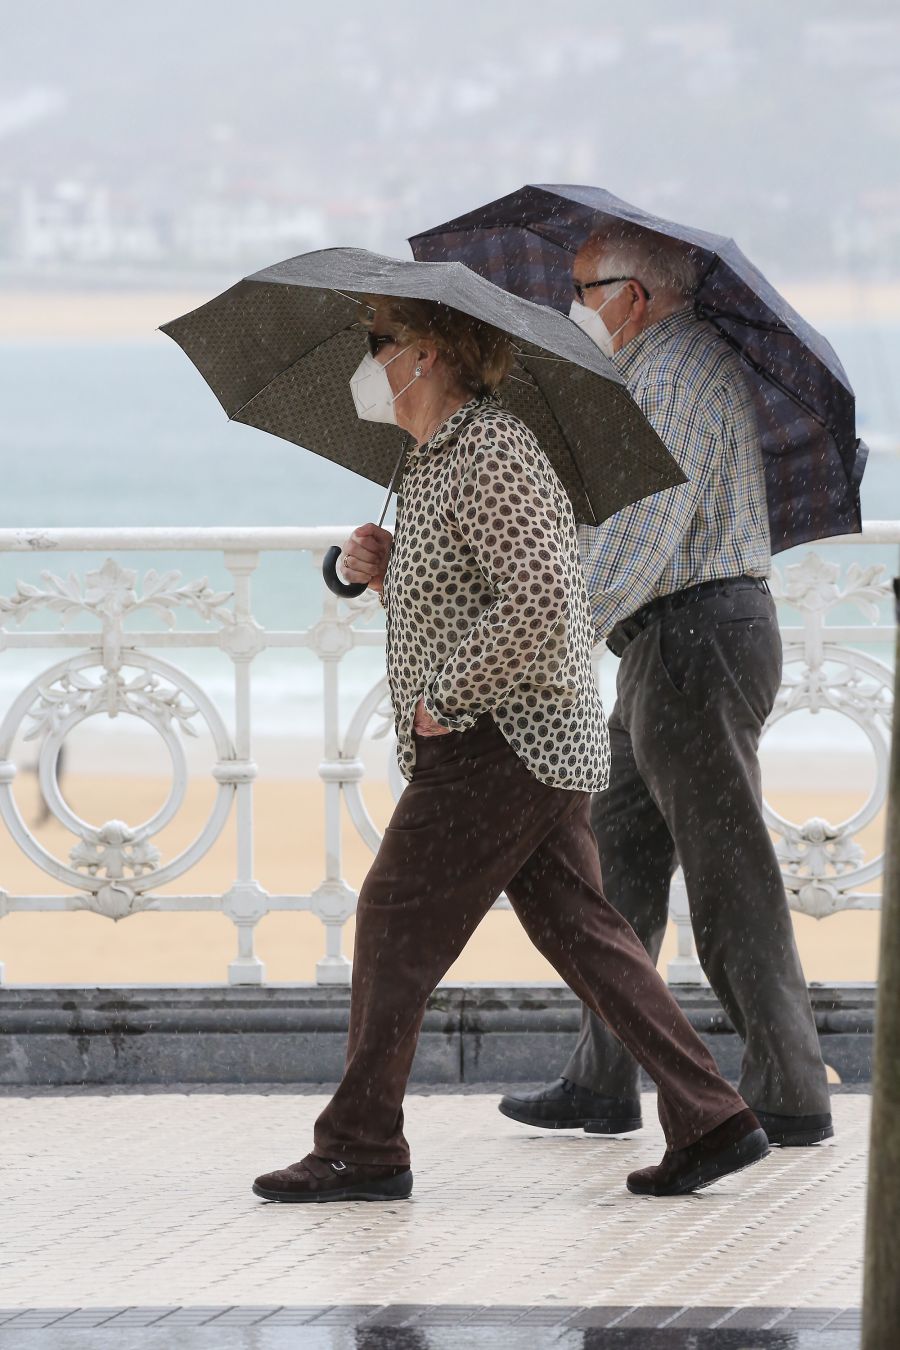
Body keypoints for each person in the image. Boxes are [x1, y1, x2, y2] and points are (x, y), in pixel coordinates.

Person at [252, 294, 768, 1205]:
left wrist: (445, 703)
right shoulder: (433, 462)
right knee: (587, 934)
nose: (365, 365)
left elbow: (537, 600)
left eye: (378, 345)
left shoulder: (490, 451)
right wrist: (362, 569)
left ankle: (362, 1145)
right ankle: (713, 1114)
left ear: (430, 355)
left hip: (501, 737)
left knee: (392, 921)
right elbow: (454, 597)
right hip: (514, 736)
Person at [498, 225, 833, 1148]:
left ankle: (791, 1090)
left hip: (696, 640)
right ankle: (603, 1079)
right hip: (670, 643)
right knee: (617, 867)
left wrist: (552, 638)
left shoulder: (678, 375)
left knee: (729, 876)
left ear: (634, 297)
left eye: (584, 288)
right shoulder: (653, 370)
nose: (574, 305)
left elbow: (646, 532)